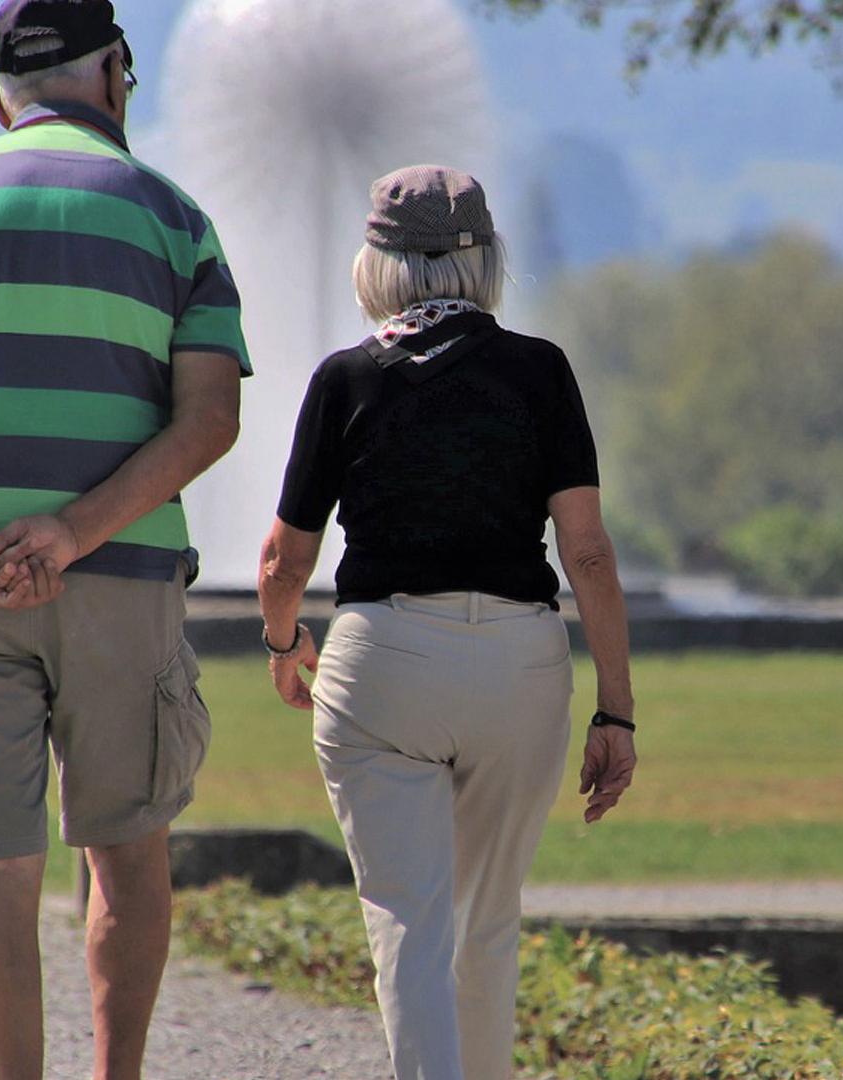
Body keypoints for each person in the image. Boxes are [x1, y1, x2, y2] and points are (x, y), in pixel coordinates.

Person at [0, 2, 247, 1077]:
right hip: (120, 571)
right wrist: (71, 533)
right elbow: (211, 418)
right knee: (127, 854)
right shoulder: (174, 216)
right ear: (118, 74)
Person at [257, 165, 638, 1080]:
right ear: (487, 261)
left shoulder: (346, 380)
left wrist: (282, 641)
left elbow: (284, 561)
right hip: (520, 666)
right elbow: (586, 554)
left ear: (377, 266)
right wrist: (616, 712)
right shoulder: (541, 371)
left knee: (408, 921)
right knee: (488, 921)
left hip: (382, 660)